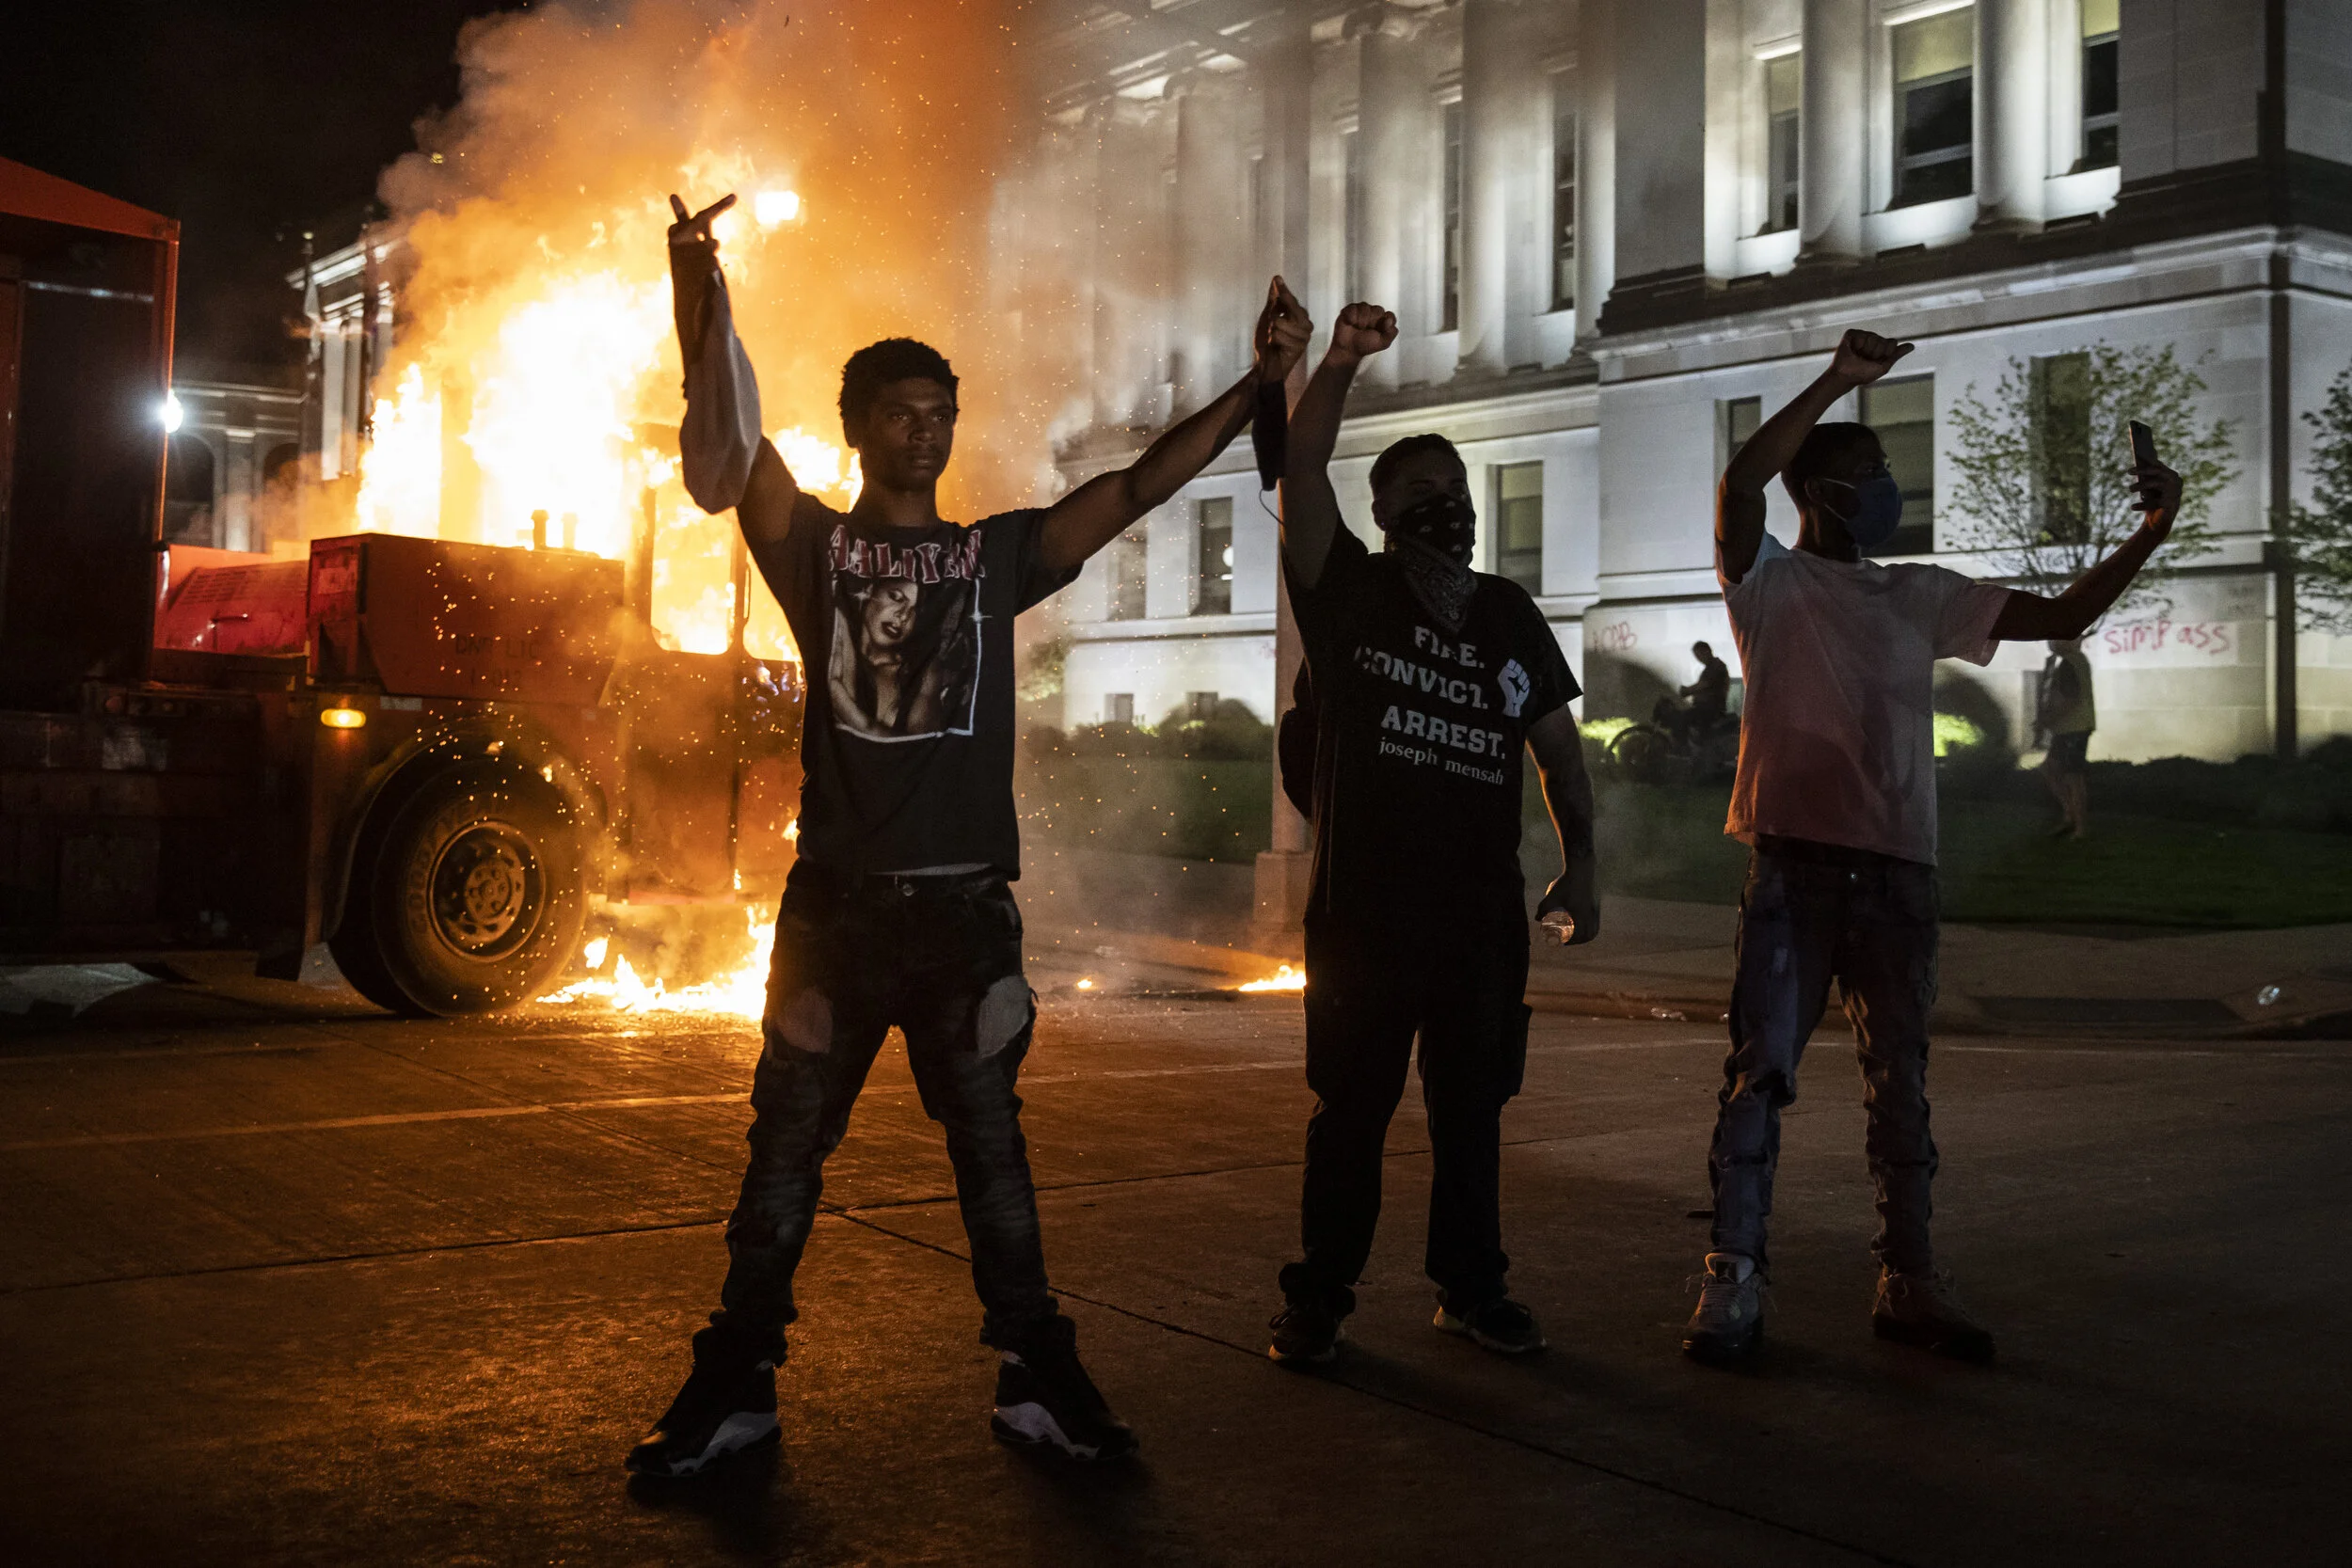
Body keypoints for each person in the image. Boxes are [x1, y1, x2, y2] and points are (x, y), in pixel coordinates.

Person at [627, 195, 1312, 1474]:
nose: (928, 429)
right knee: (782, 1157)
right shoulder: (814, 550)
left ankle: (1034, 1376)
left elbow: (1133, 488)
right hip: (834, 913)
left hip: (961, 914)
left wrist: (1253, 383)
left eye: (942, 412)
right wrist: (693, 279)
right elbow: (724, 413)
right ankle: (738, 1379)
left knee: (994, 1156)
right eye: (903, 411)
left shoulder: (995, 559)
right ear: (858, 428)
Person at [1684, 327, 2184, 1368]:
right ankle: (1731, 1277)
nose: (1889, 490)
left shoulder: (1921, 592)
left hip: (1898, 871)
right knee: (1759, 1074)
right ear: (1818, 492)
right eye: (1868, 476)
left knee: (1897, 1080)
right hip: (1793, 866)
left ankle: (1908, 1277)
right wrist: (1837, 380)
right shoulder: (1768, 583)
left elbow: (2064, 613)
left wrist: (2151, 528)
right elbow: (1738, 483)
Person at [1263, 300, 1600, 1366]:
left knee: (1471, 1115)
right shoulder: (1347, 593)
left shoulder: (1507, 613)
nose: (1443, 513)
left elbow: (1556, 748)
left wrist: (1581, 863)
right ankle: (1319, 1296)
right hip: (1365, 915)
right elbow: (1302, 468)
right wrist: (1343, 362)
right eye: (1418, 498)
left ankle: (1470, 1286)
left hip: (1476, 918)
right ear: (1381, 514)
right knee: (1351, 1114)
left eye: (1452, 496)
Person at [2035, 638, 2096, 838]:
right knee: (2051, 768)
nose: (2050, 643)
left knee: (2073, 777)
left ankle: (2078, 826)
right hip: (2070, 728)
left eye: (2054, 639)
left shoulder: (2070, 663)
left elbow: (2070, 699)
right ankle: (2070, 815)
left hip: (2073, 729)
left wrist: (2047, 720)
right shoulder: (2077, 660)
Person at [1653, 640, 1731, 742]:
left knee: (1680, 719)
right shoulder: (1712, 667)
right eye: (1697, 656)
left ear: (1707, 651)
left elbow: (1703, 685)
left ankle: (1683, 750)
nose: (1699, 658)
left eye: (1700, 654)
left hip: (1710, 708)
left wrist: (1686, 691)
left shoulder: (1716, 666)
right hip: (1706, 707)